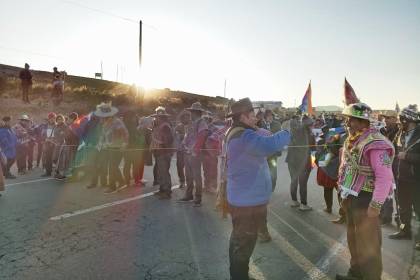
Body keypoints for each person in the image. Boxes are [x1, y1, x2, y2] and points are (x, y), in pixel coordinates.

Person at [225, 98, 290, 280]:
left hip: (245, 199)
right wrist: (286, 130)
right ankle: (239, 276)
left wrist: (266, 132)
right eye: (252, 115)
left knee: (242, 241)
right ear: (243, 116)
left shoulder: (241, 132)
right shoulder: (244, 136)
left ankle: (240, 274)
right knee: (243, 243)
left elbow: (262, 136)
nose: (256, 118)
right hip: (246, 203)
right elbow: (269, 145)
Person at [336, 103, 395, 280]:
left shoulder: (376, 143)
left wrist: (376, 205)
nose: (347, 123)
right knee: (354, 239)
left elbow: (385, 177)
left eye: (350, 119)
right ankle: (356, 273)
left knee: (369, 245)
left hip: (366, 199)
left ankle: (371, 277)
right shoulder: (354, 138)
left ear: (362, 122)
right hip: (352, 197)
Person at [389, 105, 420, 252]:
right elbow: (393, 149)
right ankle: (404, 231)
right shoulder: (400, 134)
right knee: (403, 208)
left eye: (402, 120)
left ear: (408, 120)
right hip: (401, 179)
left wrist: (407, 156)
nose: (400, 123)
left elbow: (405, 154)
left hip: (417, 180)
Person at [178, 102, 209, 207]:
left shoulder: (201, 122)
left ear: (197, 112)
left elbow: (203, 135)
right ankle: (189, 195)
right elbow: (188, 135)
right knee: (188, 175)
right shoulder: (192, 123)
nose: (190, 113)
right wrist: (183, 143)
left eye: (192, 111)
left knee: (196, 176)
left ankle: (198, 197)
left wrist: (195, 150)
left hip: (195, 154)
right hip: (188, 152)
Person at [96, 103, 128, 194]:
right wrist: (99, 144)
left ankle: (112, 187)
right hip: (109, 148)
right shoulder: (105, 123)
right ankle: (122, 182)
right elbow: (103, 135)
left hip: (117, 148)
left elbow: (125, 133)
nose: (101, 117)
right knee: (113, 167)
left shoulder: (116, 122)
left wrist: (124, 143)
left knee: (112, 167)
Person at [286, 115, 316, 211]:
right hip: (303, 161)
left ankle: (294, 201)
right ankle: (303, 204)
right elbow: (313, 149)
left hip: (291, 160)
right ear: (309, 125)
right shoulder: (310, 135)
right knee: (303, 183)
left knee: (293, 181)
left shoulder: (293, 132)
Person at [379, 111, 400, 226]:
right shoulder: (381, 131)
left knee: (398, 195)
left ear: (395, 119)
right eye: (385, 118)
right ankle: (385, 217)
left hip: (397, 166)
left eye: (388, 118)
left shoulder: (400, 131)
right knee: (385, 193)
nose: (385, 120)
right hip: (383, 166)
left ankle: (400, 221)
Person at [150, 106, 174, 199]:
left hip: (164, 152)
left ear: (164, 117)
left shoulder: (165, 126)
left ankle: (167, 192)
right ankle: (162, 189)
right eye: (157, 116)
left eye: (160, 117)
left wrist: (161, 144)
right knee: (161, 172)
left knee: (164, 172)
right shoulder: (157, 125)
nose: (157, 118)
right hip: (159, 152)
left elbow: (169, 139)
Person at [123, 111, 146, 188]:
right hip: (134, 149)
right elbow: (139, 139)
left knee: (127, 165)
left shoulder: (125, 125)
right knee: (135, 166)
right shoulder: (133, 127)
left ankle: (127, 181)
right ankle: (136, 181)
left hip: (128, 149)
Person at [261, 109, 282, 191]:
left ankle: (272, 187)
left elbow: (280, 138)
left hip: (273, 153)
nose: (270, 117)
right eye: (268, 116)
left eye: (271, 116)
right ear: (265, 117)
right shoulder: (261, 125)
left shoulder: (277, 124)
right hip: (263, 154)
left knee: (273, 170)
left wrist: (279, 149)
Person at [174, 111, 191, 189]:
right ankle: (182, 181)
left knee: (189, 168)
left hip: (189, 151)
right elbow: (175, 136)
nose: (186, 119)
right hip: (180, 150)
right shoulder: (178, 126)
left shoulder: (192, 126)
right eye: (184, 117)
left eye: (187, 117)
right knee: (179, 166)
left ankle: (189, 182)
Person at [41, 112, 57, 177]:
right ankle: (48, 172)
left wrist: (55, 140)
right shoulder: (45, 126)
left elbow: (59, 135)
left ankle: (58, 172)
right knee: (48, 158)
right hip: (47, 143)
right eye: (51, 118)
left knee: (56, 158)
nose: (52, 119)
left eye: (53, 118)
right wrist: (45, 139)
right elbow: (42, 134)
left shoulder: (57, 125)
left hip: (55, 144)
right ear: (49, 119)